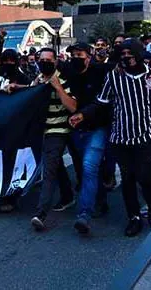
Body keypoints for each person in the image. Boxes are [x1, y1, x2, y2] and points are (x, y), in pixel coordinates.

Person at [70, 39, 151, 237]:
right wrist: (83, 114)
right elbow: (100, 102)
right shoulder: (114, 76)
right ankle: (133, 217)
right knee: (127, 178)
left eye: (130, 52)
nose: (126, 57)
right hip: (122, 137)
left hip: (148, 135)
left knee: (145, 175)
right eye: (123, 54)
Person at [59, 42, 115, 234]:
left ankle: (84, 214)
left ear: (89, 56)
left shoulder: (101, 70)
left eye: (79, 54)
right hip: (76, 130)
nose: (76, 57)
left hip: (97, 127)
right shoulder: (69, 72)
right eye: (73, 54)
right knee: (87, 169)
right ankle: (99, 200)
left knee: (90, 166)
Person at [30, 48, 78, 231]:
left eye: (48, 60)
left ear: (56, 61)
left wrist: (57, 87)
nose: (44, 63)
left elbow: (73, 107)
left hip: (58, 130)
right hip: (43, 129)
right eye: (41, 59)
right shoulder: (38, 80)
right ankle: (67, 196)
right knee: (55, 165)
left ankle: (41, 213)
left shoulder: (63, 80)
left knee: (49, 169)